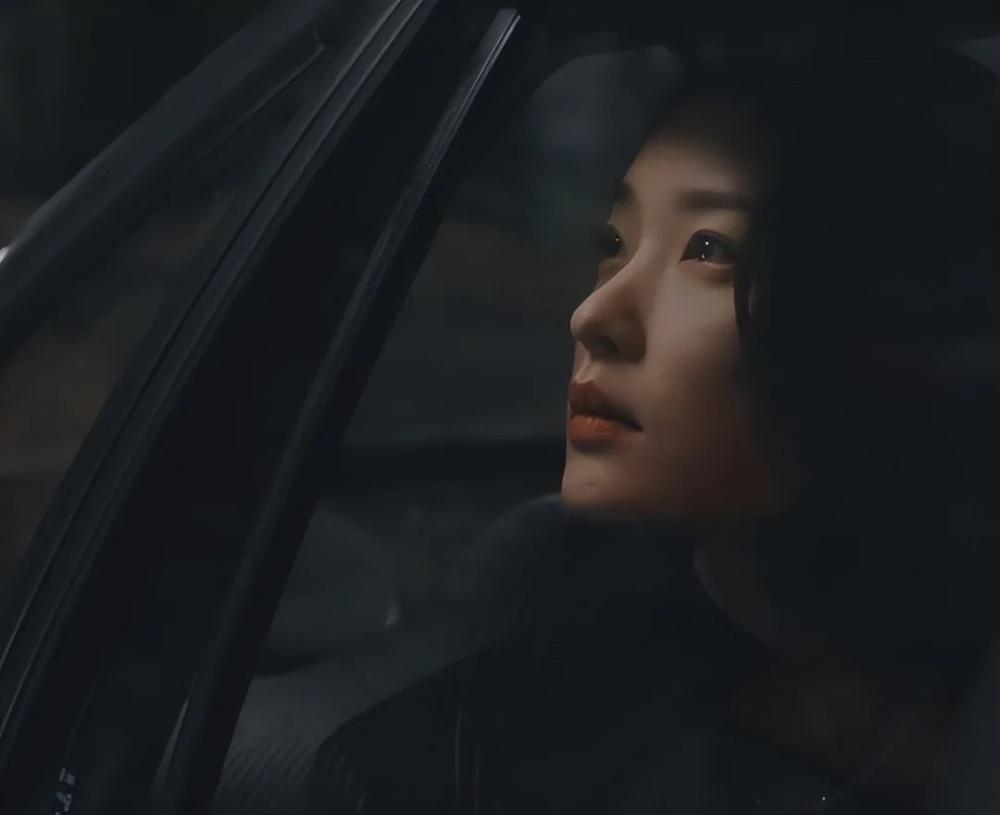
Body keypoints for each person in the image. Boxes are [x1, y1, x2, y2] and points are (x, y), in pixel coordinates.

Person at [304, 29, 1000, 814]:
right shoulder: (482, 722)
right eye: (614, 243)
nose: (594, 315)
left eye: (707, 248)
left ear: (883, 316)